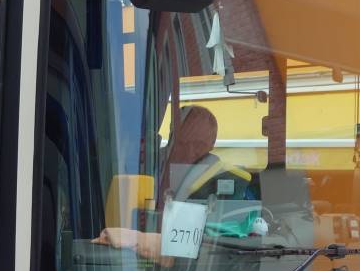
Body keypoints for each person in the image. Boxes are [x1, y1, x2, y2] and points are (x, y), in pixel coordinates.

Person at [96, 105, 255, 260]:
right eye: (184, 143)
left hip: (187, 261)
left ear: (212, 144)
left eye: (199, 146)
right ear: (172, 135)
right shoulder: (147, 163)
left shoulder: (219, 177)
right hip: (134, 252)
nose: (190, 151)